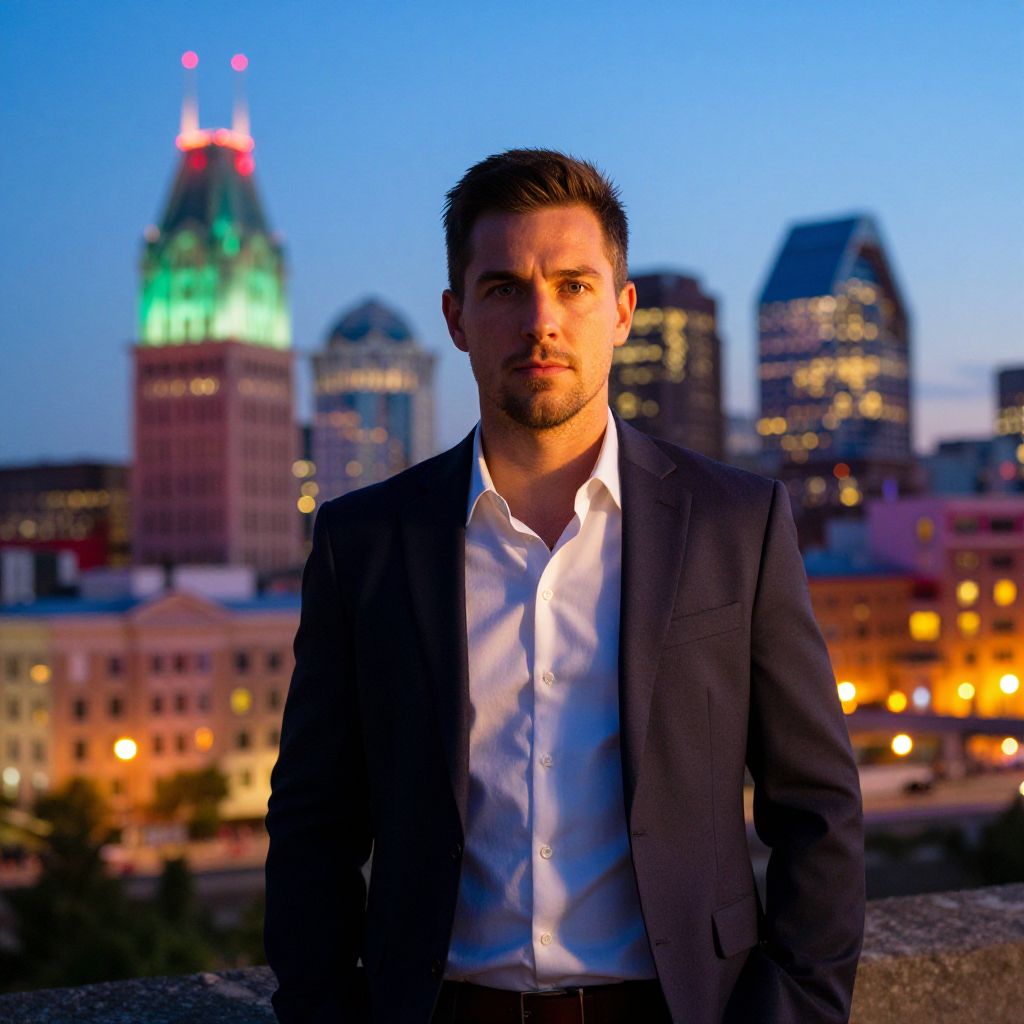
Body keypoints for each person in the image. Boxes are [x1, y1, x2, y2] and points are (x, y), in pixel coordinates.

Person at [265, 149, 865, 1024]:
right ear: (458, 316)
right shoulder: (365, 544)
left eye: (575, 286)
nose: (541, 320)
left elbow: (817, 805)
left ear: (622, 312)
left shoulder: (738, 524)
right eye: (504, 287)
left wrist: (796, 1011)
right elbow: (314, 824)